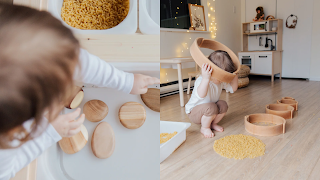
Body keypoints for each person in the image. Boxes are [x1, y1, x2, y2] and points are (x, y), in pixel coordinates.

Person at [0, 4, 159, 180]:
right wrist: (50, 132)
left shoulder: (29, 51)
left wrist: (125, 81)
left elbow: (74, 61)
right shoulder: (5, 147)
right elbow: (9, 169)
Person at [185, 50, 238, 138]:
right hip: (194, 112)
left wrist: (235, 75)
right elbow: (201, 95)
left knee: (223, 104)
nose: (223, 79)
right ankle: (204, 127)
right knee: (211, 107)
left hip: (209, 109)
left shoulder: (220, 81)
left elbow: (233, 89)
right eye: (222, 75)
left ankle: (213, 124)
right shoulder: (201, 80)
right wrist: (206, 79)